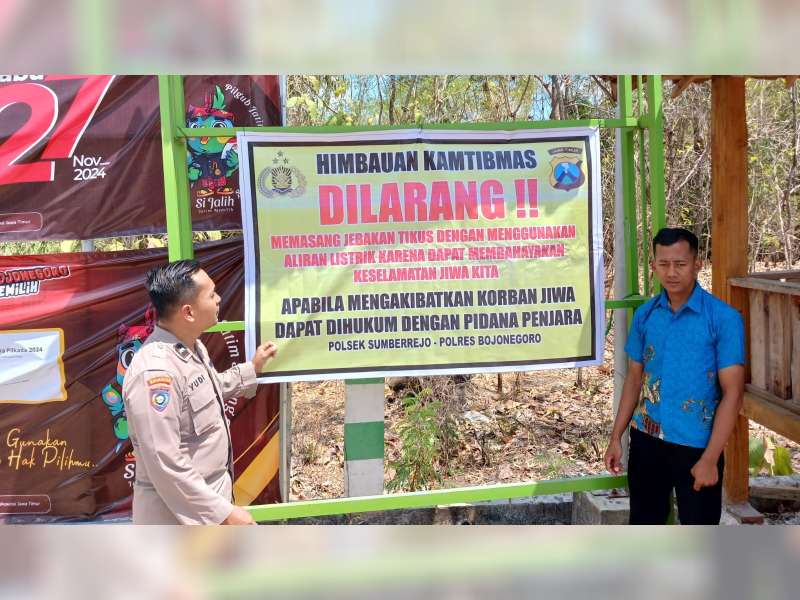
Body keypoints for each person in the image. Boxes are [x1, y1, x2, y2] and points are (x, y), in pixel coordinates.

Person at [604, 227, 745, 524]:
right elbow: (634, 379)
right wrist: (616, 437)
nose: (671, 272)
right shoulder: (645, 315)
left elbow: (733, 393)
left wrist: (710, 458)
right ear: (653, 265)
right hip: (646, 440)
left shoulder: (723, 319)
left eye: (680, 264)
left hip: (697, 446)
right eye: (664, 264)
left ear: (697, 265)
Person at [122, 259, 277, 525]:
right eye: (211, 294)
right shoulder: (156, 374)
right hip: (177, 519)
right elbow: (165, 462)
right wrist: (223, 514)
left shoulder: (192, 348)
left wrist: (252, 368)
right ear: (188, 312)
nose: (218, 299)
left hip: (208, 504)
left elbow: (210, 389)